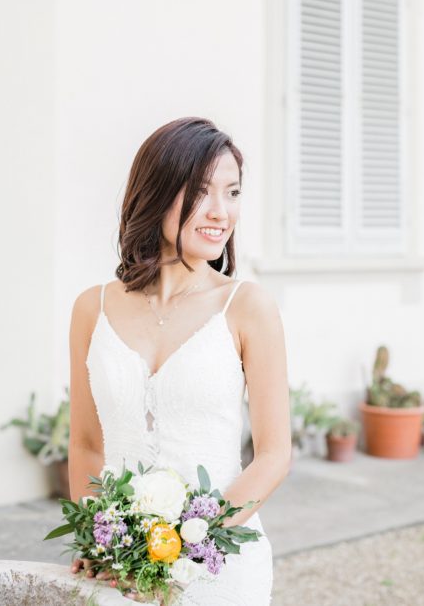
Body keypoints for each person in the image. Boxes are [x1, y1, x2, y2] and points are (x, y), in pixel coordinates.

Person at [68, 116, 292, 604]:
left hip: (220, 569)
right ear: (156, 192)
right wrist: (101, 537)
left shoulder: (248, 307)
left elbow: (274, 454)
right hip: (120, 570)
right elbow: (87, 445)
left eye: (232, 193)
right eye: (201, 191)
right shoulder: (93, 308)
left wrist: (184, 545)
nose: (220, 212)